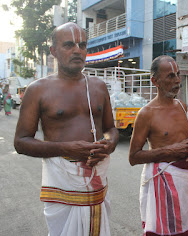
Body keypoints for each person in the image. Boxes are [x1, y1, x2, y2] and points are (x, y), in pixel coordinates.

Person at [14, 22, 119, 236]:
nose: (77, 50)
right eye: (69, 45)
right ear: (53, 51)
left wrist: (108, 144)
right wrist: (64, 148)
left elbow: (111, 129)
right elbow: (21, 141)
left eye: (82, 45)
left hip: (97, 184)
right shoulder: (37, 90)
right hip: (62, 187)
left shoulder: (98, 86)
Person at [129, 55, 188, 236]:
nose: (177, 81)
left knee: (186, 229)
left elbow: (185, 135)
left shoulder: (182, 106)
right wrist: (169, 151)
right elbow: (133, 157)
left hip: (183, 186)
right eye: (170, 76)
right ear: (155, 81)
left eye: (178, 74)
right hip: (162, 183)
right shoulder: (147, 114)